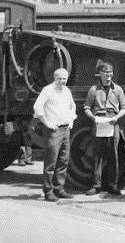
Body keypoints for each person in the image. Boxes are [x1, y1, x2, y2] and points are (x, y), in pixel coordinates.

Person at [82, 61, 125, 196]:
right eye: (105, 72)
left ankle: (113, 185)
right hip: (99, 123)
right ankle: (96, 185)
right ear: (100, 74)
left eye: (110, 72)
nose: (108, 75)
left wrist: (117, 117)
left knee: (113, 155)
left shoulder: (118, 89)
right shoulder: (93, 90)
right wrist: (94, 118)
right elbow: (87, 108)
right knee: (98, 156)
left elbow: (124, 108)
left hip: (113, 123)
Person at [33, 68, 76, 202]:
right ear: (54, 78)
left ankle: (59, 189)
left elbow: (72, 106)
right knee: (50, 163)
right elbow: (37, 107)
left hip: (65, 130)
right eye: (59, 78)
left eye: (64, 79)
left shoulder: (67, 91)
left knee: (63, 161)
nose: (62, 81)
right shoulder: (47, 90)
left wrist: (71, 121)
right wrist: (46, 122)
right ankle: (48, 191)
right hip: (54, 131)